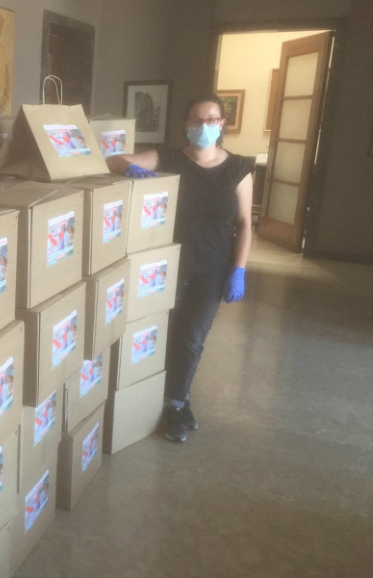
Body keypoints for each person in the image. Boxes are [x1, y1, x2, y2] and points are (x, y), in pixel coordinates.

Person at [107, 93, 253, 443]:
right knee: (162, 333)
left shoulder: (238, 168)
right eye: (196, 120)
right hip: (165, 266)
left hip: (212, 268)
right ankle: (164, 398)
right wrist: (130, 168)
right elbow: (113, 159)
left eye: (211, 120)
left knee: (192, 337)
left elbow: (245, 223)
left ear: (222, 124)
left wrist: (239, 269)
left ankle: (175, 403)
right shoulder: (169, 158)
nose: (204, 126)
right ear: (186, 124)